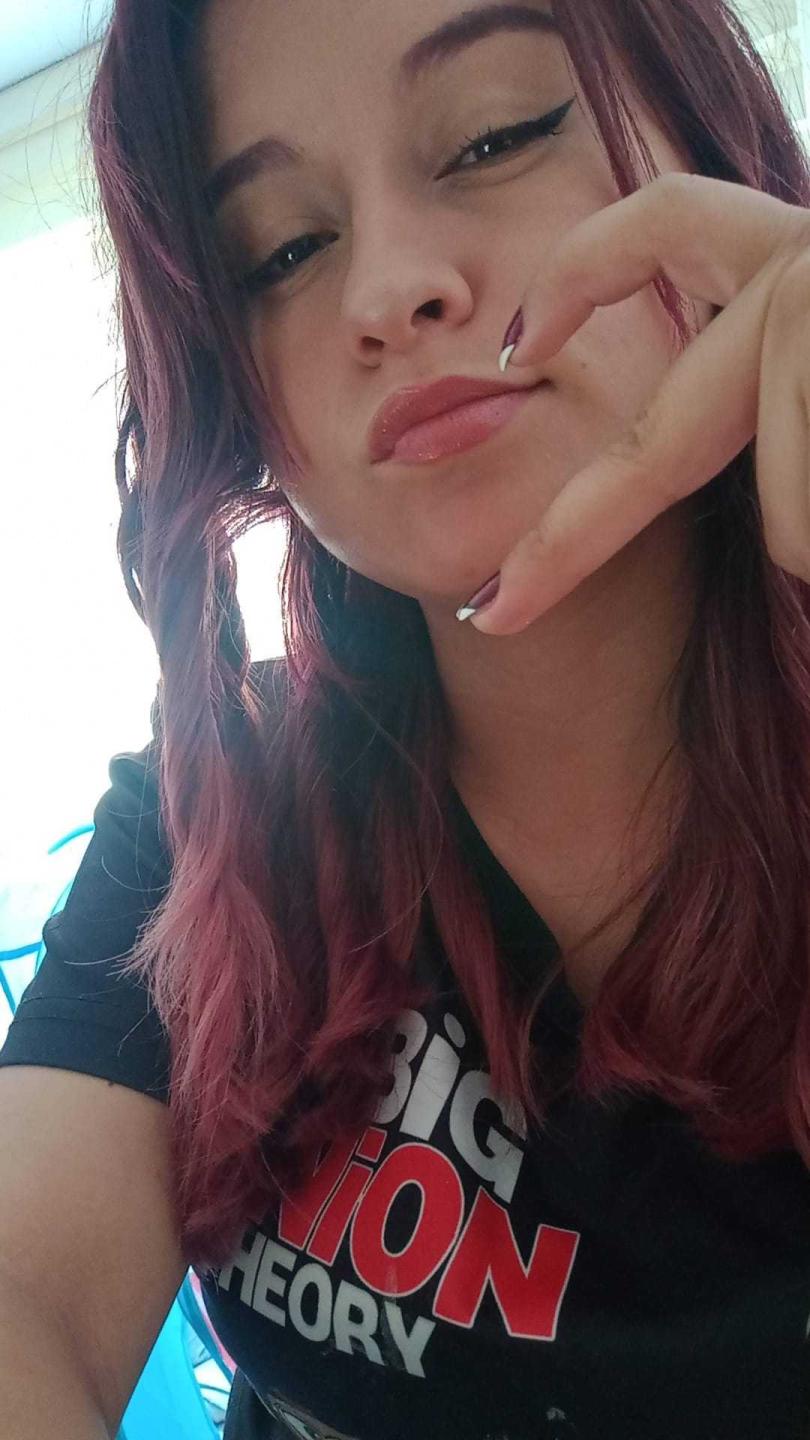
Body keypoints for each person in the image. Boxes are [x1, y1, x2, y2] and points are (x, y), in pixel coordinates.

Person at [2, 0, 810, 1436]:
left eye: (496, 137)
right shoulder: (217, 808)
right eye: (281, 251)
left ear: (709, 138)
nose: (385, 290)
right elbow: (27, 1294)